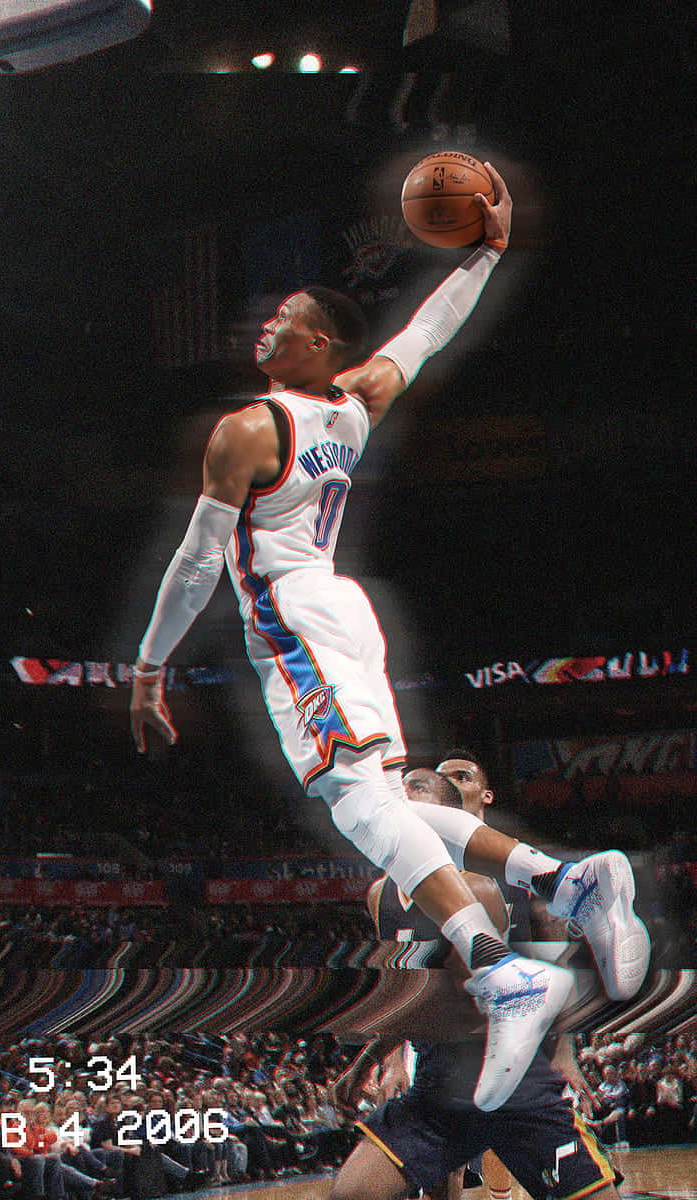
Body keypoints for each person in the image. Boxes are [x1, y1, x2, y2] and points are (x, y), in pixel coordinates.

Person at [130, 161, 649, 1112]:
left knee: (352, 801)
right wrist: (487, 249)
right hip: (343, 612)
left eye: (282, 318)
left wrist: (146, 670)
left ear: (317, 342)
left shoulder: (247, 430)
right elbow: (429, 332)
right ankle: (565, 879)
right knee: (383, 800)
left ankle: (499, 965)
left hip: (293, 620)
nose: (264, 327)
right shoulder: (355, 402)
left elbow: (198, 563)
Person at [330, 770, 621, 1200]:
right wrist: (367, 1061)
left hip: (513, 1091)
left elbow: (445, 1004)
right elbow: (406, 995)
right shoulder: (381, 896)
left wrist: (563, 1050)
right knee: (349, 1194)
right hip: (437, 1091)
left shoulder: (480, 892)